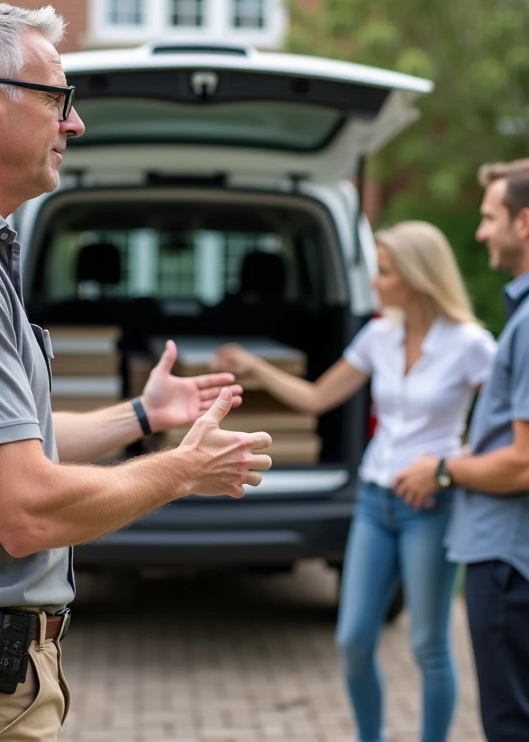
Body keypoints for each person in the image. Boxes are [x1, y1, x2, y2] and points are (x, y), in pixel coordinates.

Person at [0, 2, 272, 742]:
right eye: (59, 98)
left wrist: (141, 416)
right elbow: (24, 510)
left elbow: (6, 443)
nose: (75, 124)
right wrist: (181, 472)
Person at [212, 221, 497, 742]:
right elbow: (318, 397)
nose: (374, 283)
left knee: (429, 646)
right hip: (375, 500)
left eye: (384, 272)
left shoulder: (471, 344)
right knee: (354, 639)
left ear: (416, 277)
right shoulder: (380, 335)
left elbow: (506, 425)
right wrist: (255, 367)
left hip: (430, 507)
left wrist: (448, 468)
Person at [391, 159, 529, 742]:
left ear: (524, 222)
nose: (480, 232)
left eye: (489, 218)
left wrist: (441, 468)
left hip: (515, 555)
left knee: (518, 730)